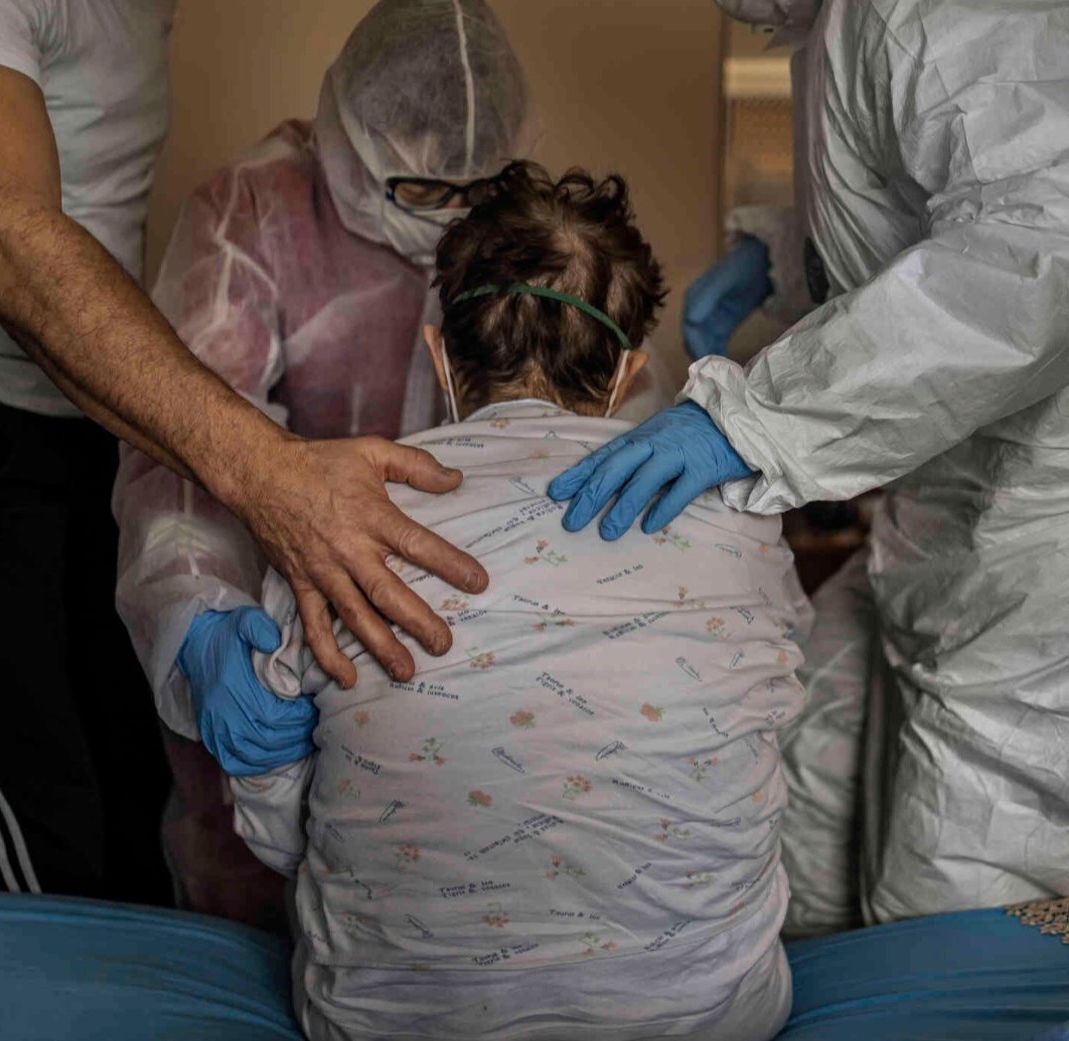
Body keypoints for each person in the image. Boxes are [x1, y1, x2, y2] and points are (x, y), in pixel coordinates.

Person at [228, 161, 811, 1041]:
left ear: (438, 354)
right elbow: (763, 758)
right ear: (627, 373)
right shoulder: (742, 532)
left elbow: (279, 831)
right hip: (707, 1020)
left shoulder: (337, 525)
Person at [551, 0, 1069, 934]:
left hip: (1037, 560)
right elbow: (930, 214)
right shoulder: (840, 27)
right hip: (944, 520)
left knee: (957, 923)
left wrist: (755, 418)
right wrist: (787, 257)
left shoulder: (924, 11)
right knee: (800, 807)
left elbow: (1038, 253)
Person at [0, 0, 499, 900]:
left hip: (85, 420)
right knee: (54, 823)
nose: (442, 216)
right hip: (17, 419)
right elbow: (8, 236)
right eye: (415, 191)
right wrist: (199, 616)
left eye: (467, 189)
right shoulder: (254, 214)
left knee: (115, 794)